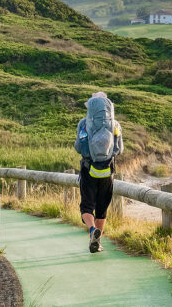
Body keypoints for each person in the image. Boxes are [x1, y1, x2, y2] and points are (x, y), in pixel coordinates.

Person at [74, 92, 123, 253]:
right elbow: (119, 149)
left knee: (87, 207)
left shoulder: (83, 124)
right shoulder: (115, 125)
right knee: (102, 209)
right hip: (107, 172)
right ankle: (97, 242)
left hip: (89, 170)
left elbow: (79, 147)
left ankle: (91, 230)